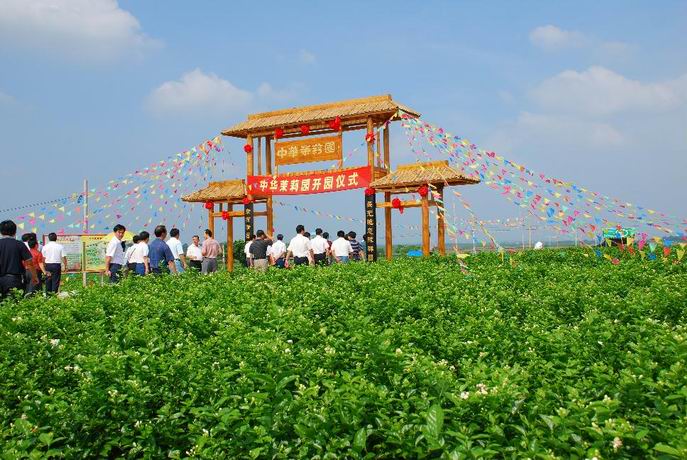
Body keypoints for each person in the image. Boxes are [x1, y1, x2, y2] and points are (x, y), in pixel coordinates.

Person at [0, 220, 38, 299]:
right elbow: (29, 263)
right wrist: (34, 276)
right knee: (13, 305)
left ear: (1, 232)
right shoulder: (19, 244)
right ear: (15, 232)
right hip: (13, 280)